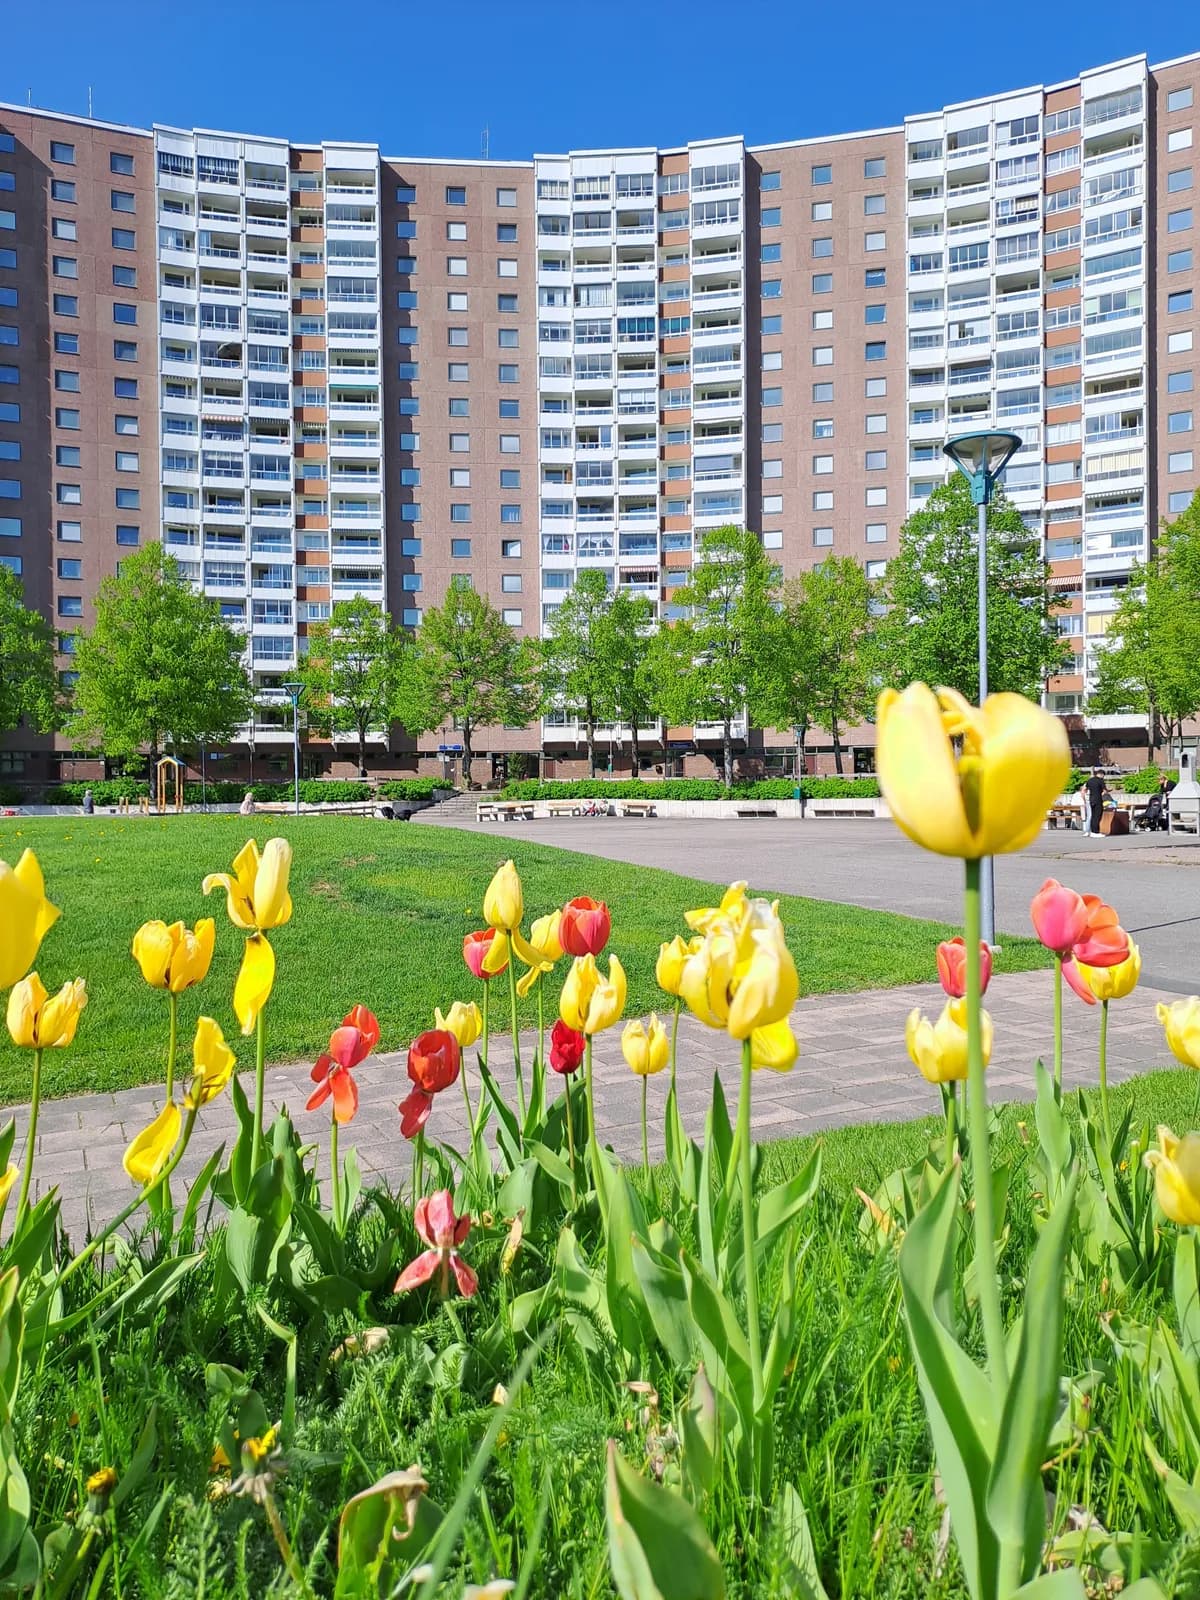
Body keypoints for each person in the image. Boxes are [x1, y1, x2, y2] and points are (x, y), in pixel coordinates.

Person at [1084, 768, 1111, 836]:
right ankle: (1095, 832)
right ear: (1101, 774)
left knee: (1093, 816)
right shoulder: (1100, 781)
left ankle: (1092, 831)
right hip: (1098, 800)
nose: (1103, 777)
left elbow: (1085, 789)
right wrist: (1108, 791)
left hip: (1091, 799)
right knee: (1098, 816)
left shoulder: (1090, 780)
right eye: (1103, 776)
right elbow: (1105, 791)